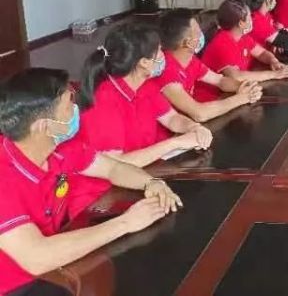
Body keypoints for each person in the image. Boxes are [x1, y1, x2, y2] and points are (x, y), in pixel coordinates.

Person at [0, 68, 181, 295]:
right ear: (44, 126)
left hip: (58, 264)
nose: (76, 110)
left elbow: (113, 168)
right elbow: (37, 257)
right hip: (16, 284)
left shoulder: (60, 147)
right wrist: (126, 222)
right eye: (69, 105)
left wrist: (151, 183)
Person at [67, 23, 214, 216]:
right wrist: (175, 142)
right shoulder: (103, 100)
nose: (163, 55)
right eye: (159, 51)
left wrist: (194, 128)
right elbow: (117, 164)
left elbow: (172, 119)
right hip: (101, 197)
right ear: (144, 62)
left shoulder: (145, 85)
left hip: (142, 177)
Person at [156, 9, 263, 122]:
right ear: (188, 43)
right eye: (198, 31)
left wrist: (243, 86)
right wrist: (242, 98)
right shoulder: (166, 72)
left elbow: (219, 80)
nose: (201, 34)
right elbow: (199, 113)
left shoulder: (190, 60)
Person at [194, 0, 288, 101]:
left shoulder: (242, 37)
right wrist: (274, 74)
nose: (252, 20)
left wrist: (274, 62)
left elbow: (261, 53)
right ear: (241, 23)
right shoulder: (222, 44)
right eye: (249, 17)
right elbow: (236, 76)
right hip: (212, 99)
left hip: (232, 94)